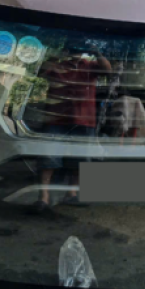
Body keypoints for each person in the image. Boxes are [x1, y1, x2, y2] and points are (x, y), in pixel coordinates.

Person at [34, 39, 111, 211]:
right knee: (48, 157)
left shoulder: (90, 65)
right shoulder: (57, 65)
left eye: (79, 47)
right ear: (66, 49)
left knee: (81, 158)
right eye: (72, 47)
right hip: (56, 118)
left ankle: (71, 194)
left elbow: (108, 71)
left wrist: (97, 52)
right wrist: (57, 56)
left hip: (84, 119)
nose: (76, 50)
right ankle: (43, 198)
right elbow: (40, 72)